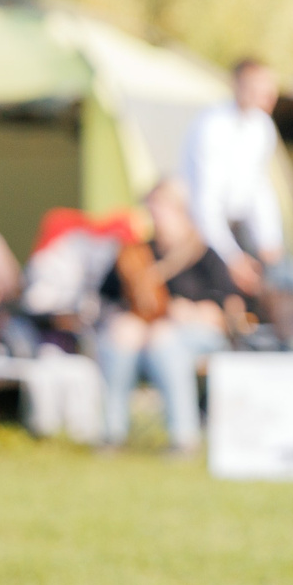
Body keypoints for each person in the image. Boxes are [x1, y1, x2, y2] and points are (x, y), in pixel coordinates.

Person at [95, 178, 245, 452]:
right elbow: (107, 296)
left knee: (165, 340)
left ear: (180, 211)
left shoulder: (203, 253)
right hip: (145, 332)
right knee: (122, 335)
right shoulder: (137, 253)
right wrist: (127, 319)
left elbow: (226, 306)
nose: (155, 217)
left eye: (161, 209)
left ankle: (183, 436)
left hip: (190, 335)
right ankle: (112, 433)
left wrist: (192, 311)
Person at [181, 58, 286, 299]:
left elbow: (258, 189)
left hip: (234, 231)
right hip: (201, 236)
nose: (269, 95)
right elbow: (206, 203)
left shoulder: (262, 127)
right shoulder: (212, 127)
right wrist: (231, 257)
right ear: (239, 86)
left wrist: (270, 241)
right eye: (260, 87)